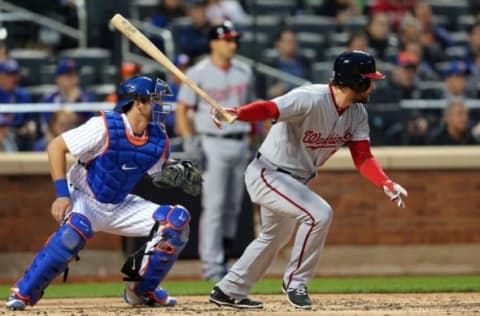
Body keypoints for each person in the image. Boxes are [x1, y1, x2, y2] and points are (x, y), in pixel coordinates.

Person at [209, 50, 408, 309]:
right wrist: (238, 112)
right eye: (369, 80)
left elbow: (363, 157)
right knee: (319, 214)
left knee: (273, 238)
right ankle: (296, 283)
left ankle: (228, 290)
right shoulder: (309, 97)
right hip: (268, 173)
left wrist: (385, 182)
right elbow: (270, 108)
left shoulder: (357, 113)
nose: (373, 86)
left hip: (294, 182)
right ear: (355, 81)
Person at [5, 76, 194, 311]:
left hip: (120, 204)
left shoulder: (158, 138)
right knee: (73, 235)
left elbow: (154, 169)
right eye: (155, 100)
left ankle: (141, 291)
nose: (160, 106)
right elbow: (56, 146)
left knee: (177, 221)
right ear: (137, 102)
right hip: (84, 198)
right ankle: (24, 292)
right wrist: (62, 194)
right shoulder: (104, 125)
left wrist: (175, 169)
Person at [176, 21, 255, 281]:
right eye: (228, 40)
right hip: (211, 142)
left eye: (234, 40)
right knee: (215, 205)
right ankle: (211, 268)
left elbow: (252, 110)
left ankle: (225, 258)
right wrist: (190, 142)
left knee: (233, 207)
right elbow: (181, 111)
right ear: (214, 42)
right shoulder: (198, 73)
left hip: (240, 141)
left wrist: (257, 140)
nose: (233, 44)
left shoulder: (245, 71)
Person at [41, 59, 95, 126]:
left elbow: (92, 125)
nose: (75, 79)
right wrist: (70, 102)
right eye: (70, 76)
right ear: (58, 79)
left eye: (77, 75)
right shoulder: (49, 98)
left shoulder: (86, 97)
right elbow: (50, 128)